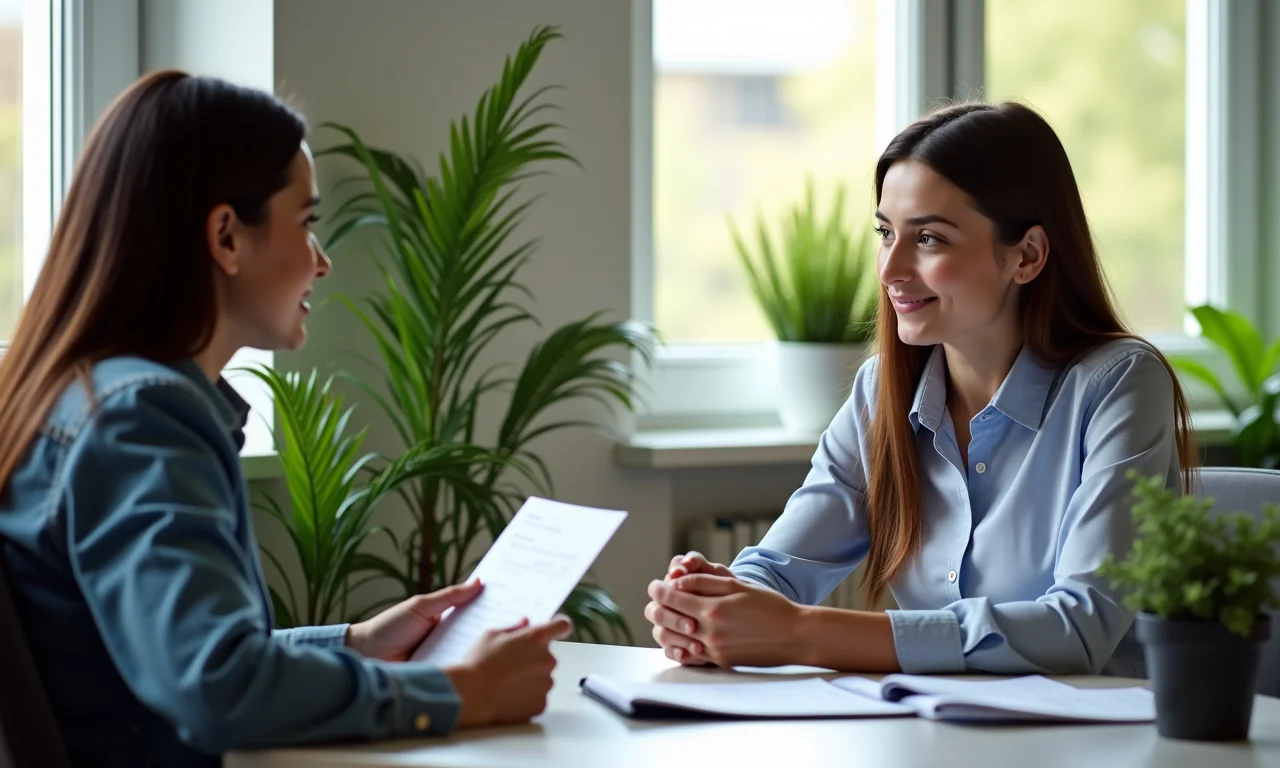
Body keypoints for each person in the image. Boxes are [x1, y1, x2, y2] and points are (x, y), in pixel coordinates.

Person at [0, 70, 570, 767]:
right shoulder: (142, 421)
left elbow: (175, 659)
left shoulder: (80, 396)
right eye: (307, 223)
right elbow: (218, 688)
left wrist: (354, 645)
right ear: (226, 237)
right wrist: (458, 692)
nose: (322, 263)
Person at [645, 101, 1198, 678]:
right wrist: (710, 606)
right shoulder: (880, 391)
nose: (889, 269)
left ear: (1027, 255)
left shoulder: (1120, 384)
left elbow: (1078, 627)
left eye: (929, 238)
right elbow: (780, 568)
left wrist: (803, 633)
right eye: (886, 233)